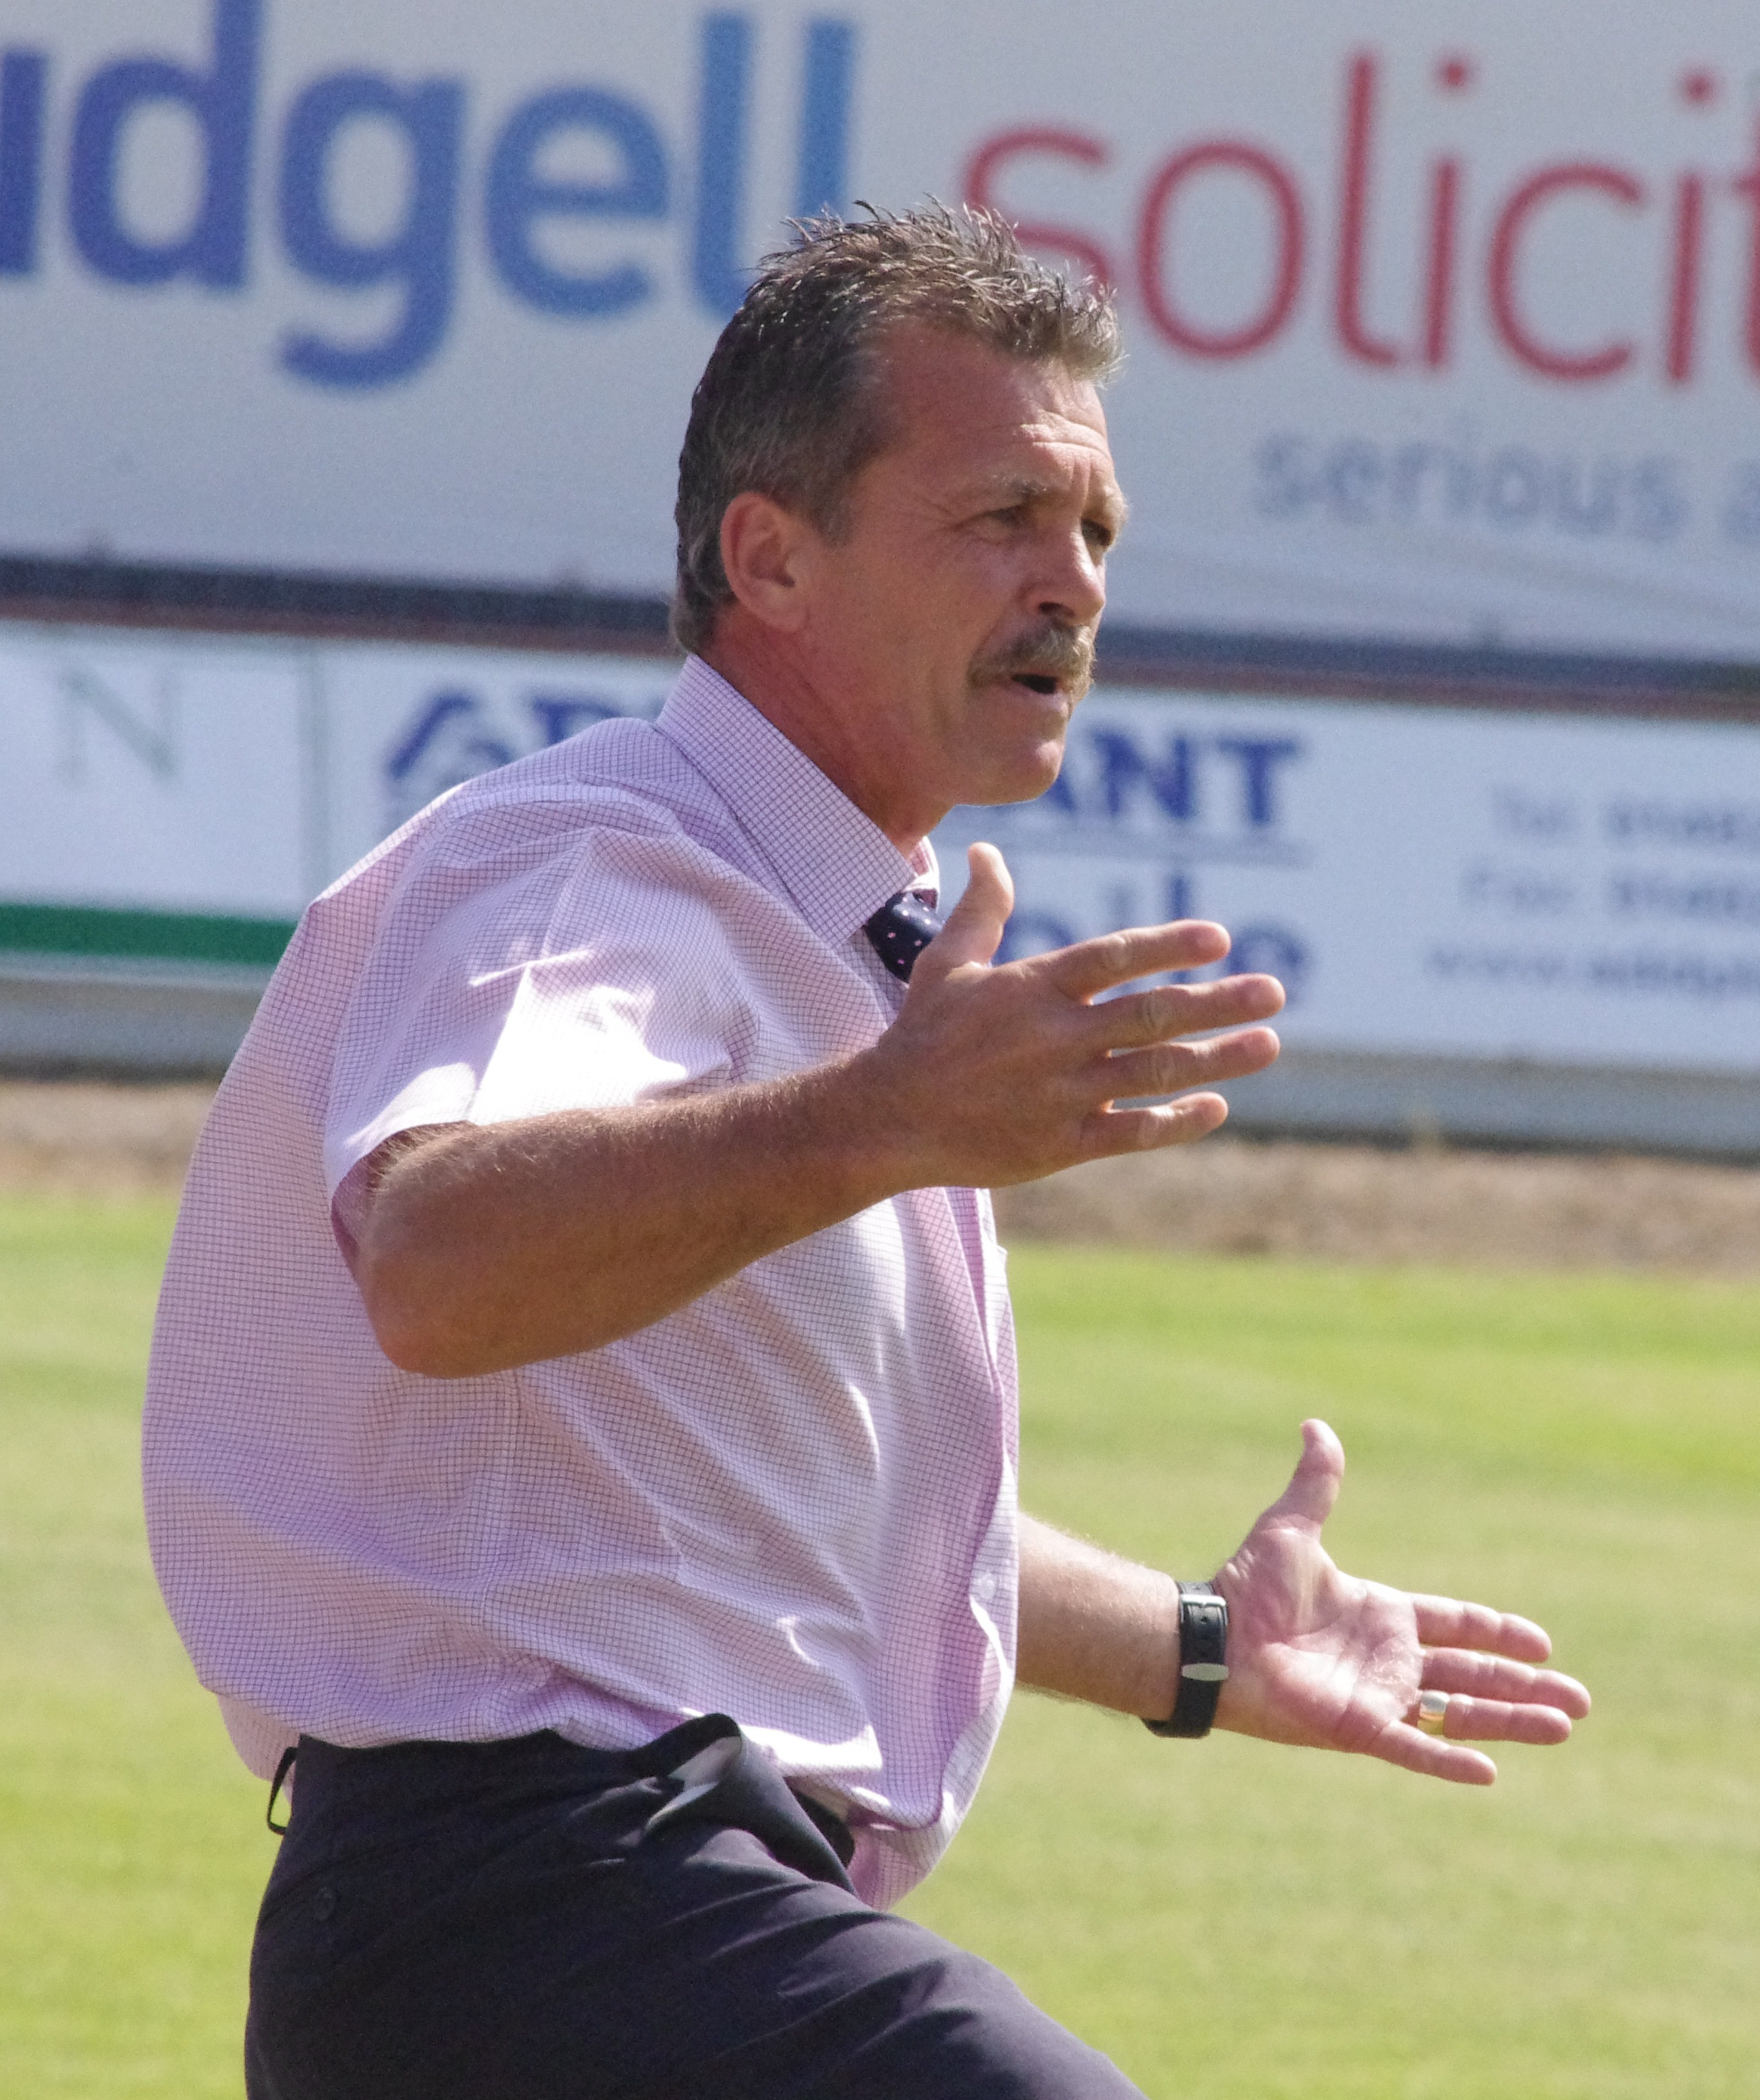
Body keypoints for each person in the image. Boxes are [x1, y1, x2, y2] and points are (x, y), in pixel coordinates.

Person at [143, 206, 1589, 2100]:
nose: (1069, 582)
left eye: (1094, 533)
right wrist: (880, 1117)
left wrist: (1206, 1648)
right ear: (773, 555)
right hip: (532, 1920)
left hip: (558, 1935)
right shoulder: (603, 867)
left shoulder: (818, 933)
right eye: (1000, 516)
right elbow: (430, 1257)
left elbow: (762, 1508)